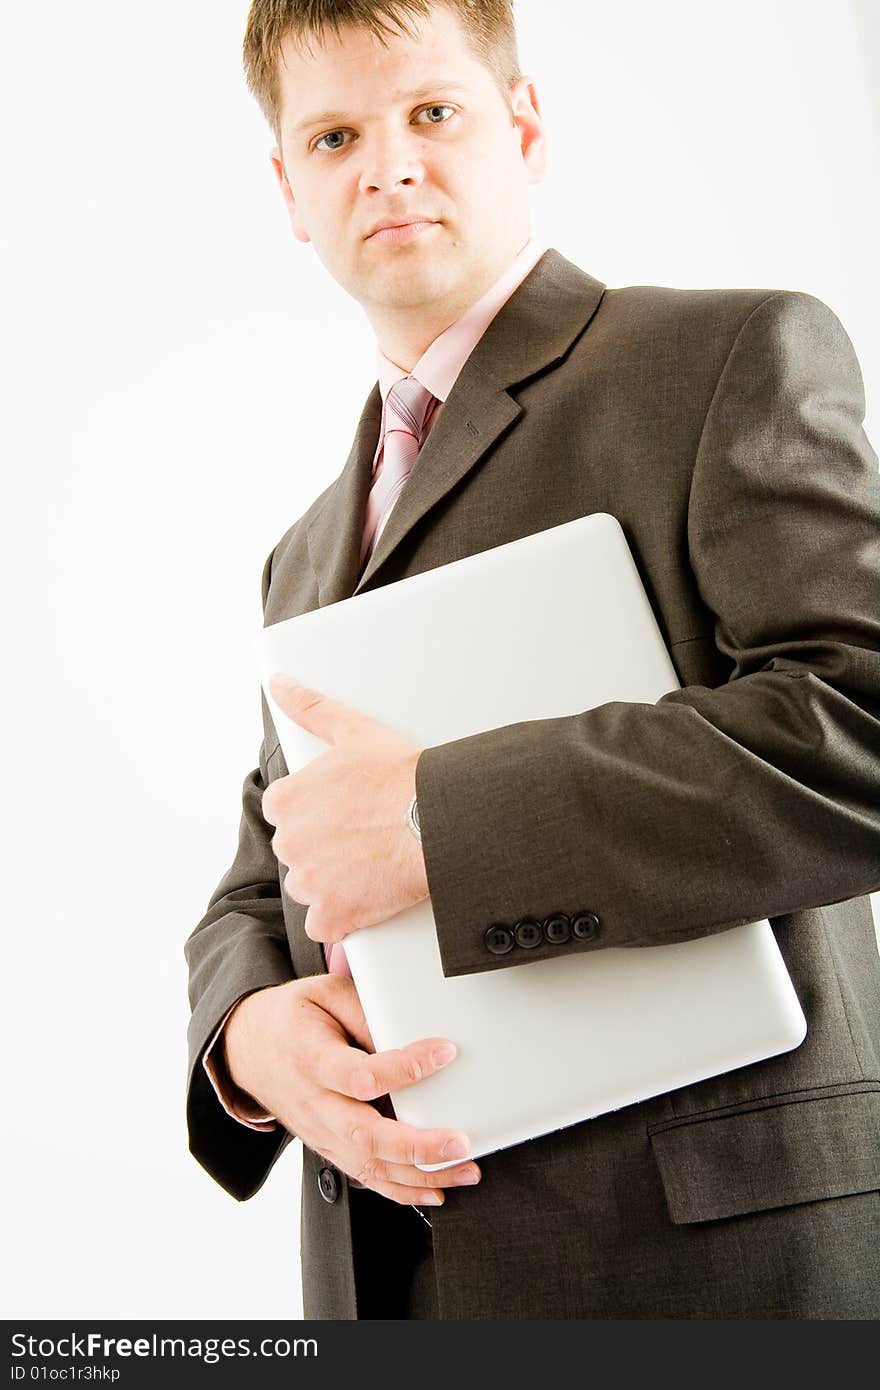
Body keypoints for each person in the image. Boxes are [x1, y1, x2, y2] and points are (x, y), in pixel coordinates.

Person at [184, 0, 880, 1320]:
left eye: (432, 113)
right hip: (394, 1285)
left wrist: (445, 823)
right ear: (289, 189)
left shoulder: (728, 359)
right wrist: (250, 1038)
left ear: (526, 125)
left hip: (704, 1269)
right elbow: (266, 875)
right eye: (334, 135)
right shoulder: (301, 553)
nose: (386, 164)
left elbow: (862, 723)